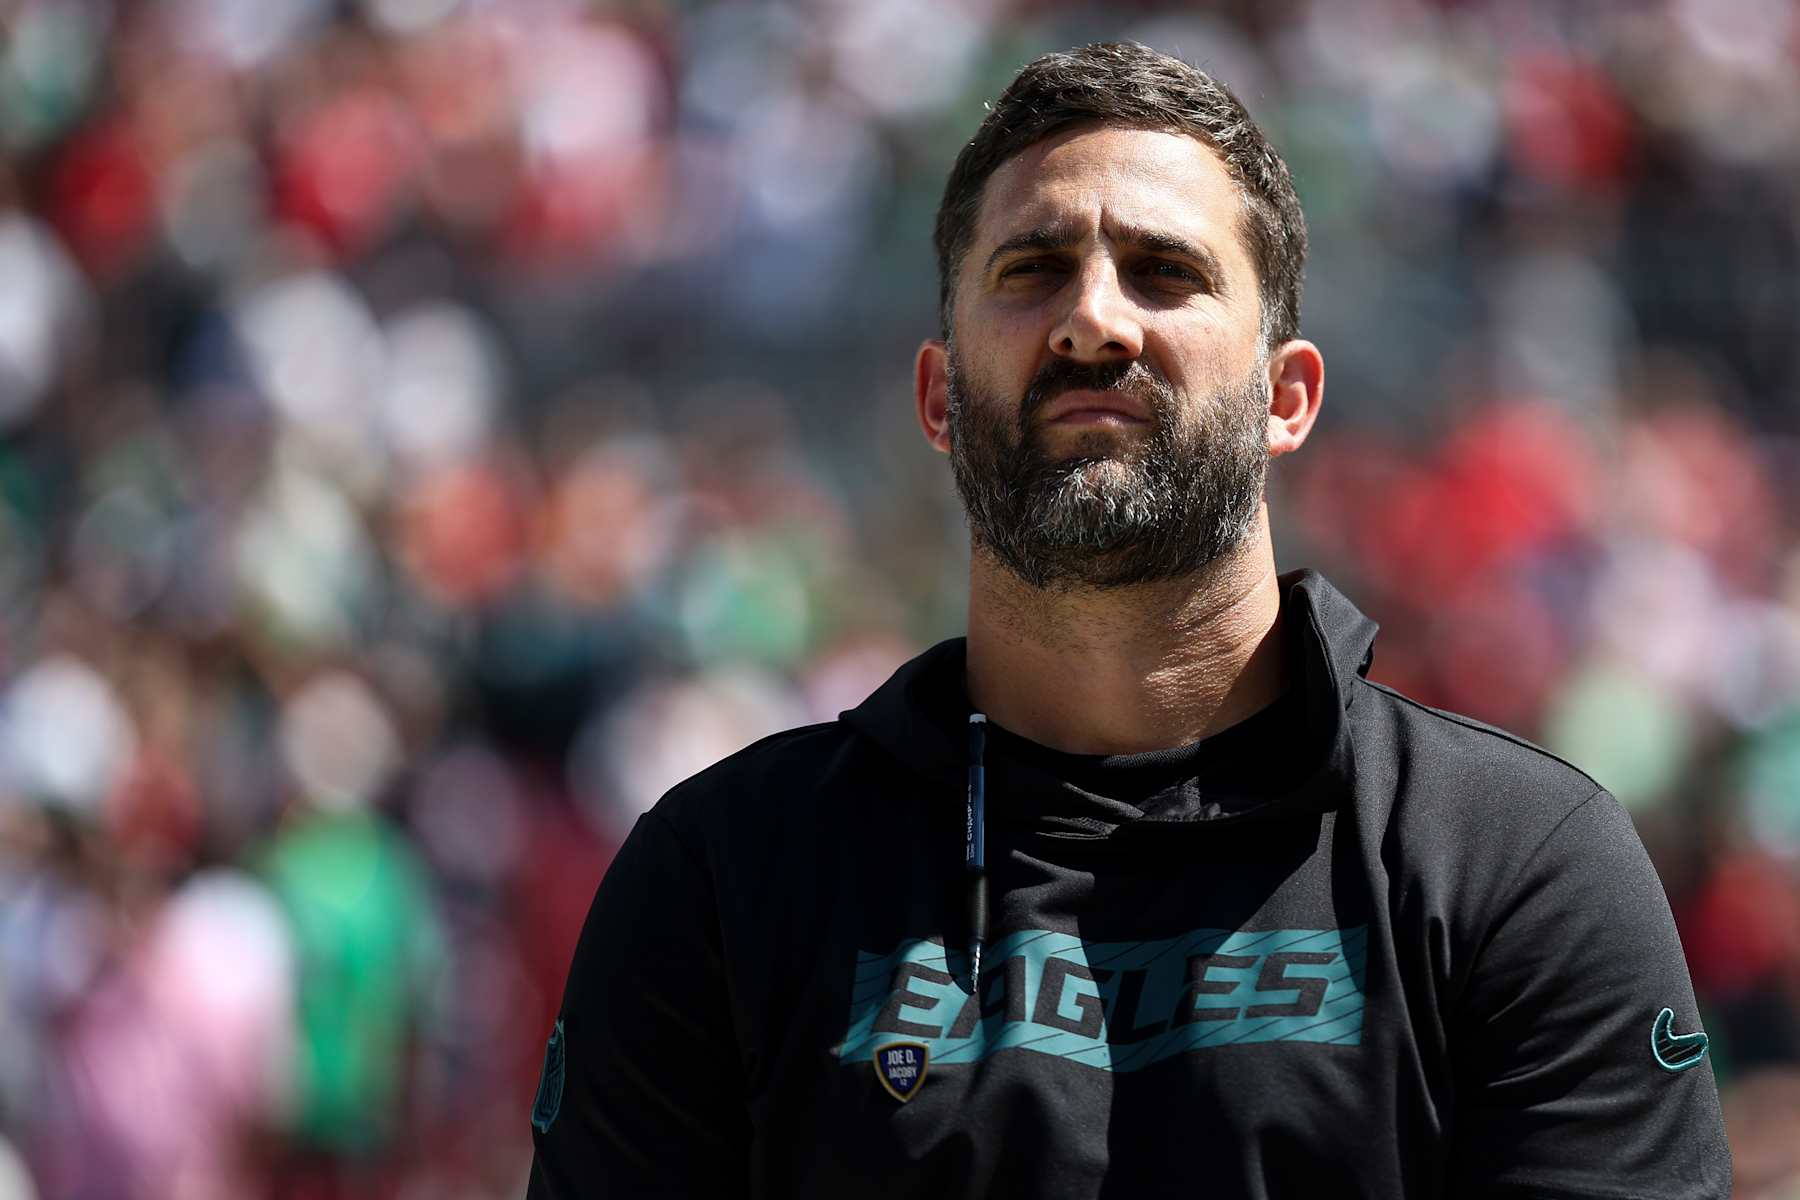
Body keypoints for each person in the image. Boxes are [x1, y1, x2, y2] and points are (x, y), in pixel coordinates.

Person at [527, 42, 1730, 1198]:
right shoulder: (725, 877)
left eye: (1165, 272)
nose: (1093, 321)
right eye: (1031, 269)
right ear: (941, 398)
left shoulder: (1516, 862)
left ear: (1286, 398)